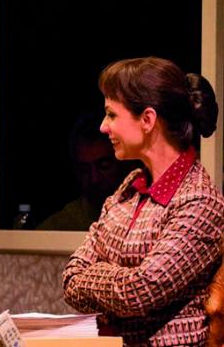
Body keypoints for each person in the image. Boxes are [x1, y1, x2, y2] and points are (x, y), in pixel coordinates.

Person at [62, 56, 223, 346]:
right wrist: (119, 279)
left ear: (147, 119)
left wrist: (98, 275)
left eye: (112, 115)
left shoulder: (198, 200)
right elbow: (71, 278)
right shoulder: (131, 186)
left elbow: (140, 291)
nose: (103, 127)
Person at [37, 111, 137, 231]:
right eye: (84, 169)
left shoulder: (147, 215)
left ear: (127, 163)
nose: (94, 178)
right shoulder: (61, 227)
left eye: (104, 166)